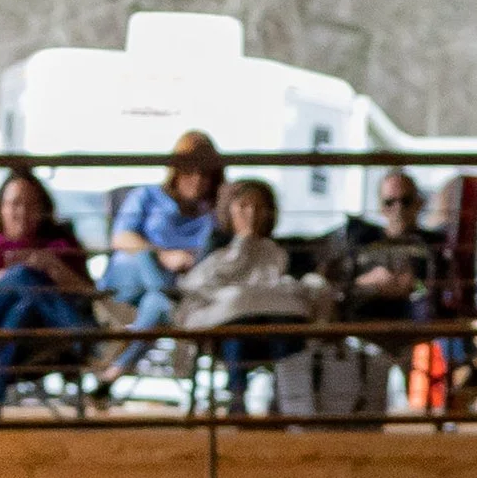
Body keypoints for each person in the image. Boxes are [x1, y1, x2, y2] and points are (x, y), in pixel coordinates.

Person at [128, 177, 328, 410]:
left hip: (274, 326)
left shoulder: (282, 251)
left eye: (259, 207)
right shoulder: (216, 246)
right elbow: (200, 285)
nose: (251, 214)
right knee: (236, 327)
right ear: (229, 209)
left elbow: (296, 287)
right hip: (227, 333)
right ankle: (237, 398)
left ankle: (287, 402)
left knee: (281, 325)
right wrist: (243, 243)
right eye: (244, 206)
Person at [0, 169, 97, 413]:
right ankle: (80, 335)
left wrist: (51, 266)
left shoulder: (58, 246)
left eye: (31, 205)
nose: (22, 212)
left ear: (43, 210)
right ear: (0, 207)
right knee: (23, 276)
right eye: (14, 204)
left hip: (30, 330)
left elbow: (88, 293)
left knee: (22, 308)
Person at [101, 131, 227, 382]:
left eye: (205, 174)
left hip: (175, 287)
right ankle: (175, 306)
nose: (197, 180)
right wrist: (163, 255)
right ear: (176, 170)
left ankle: (114, 373)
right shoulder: (146, 196)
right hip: (131, 279)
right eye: (190, 171)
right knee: (143, 257)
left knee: (158, 303)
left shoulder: (213, 215)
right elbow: (121, 238)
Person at [321, 169, 446, 321]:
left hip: (416, 327)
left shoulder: (434, 244)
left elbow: (442, 288)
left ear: (418, 203)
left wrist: (414, 284)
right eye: (390, 202)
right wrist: (368, 282)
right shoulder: (361, 241)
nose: (398, 208)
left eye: (405, 201)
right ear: (381, 207)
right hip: (363, 325)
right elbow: (334, 286)